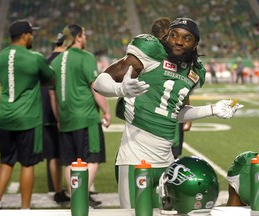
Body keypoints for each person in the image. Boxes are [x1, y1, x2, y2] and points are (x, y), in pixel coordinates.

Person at [94, 17, 243, 209]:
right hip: (136, 159)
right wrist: (120, 89)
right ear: (167, 36)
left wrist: (212, 109)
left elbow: (173, 112)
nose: (178, 41)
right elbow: (100, 82)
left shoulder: (195, 71)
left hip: (168, 163)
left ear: (195, 43)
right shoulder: (150, 52)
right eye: (174, 35)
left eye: (186, 38)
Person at [0, 19, 54, 209]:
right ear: (25, 36)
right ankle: (25, 208)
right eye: (31, 34)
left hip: (4, 117)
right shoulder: (34, 57)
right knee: (27, 164)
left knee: (6, 161)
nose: (32, 37)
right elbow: (51, 79)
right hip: (27, 119)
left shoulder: (0, 57)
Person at [49, 24, 111, 207]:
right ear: (77, 37)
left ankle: (74, 196)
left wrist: (59, 118)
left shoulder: (55, 61)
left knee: (70, 162)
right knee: (92, 159)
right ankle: (80, 198)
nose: (85, 38)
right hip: (86, 118)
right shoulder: (86, 57)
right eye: (83, 35)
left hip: (66, 119)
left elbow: (52, 95)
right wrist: (107, 111)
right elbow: (95, 86)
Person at [151, 17, 192, 159]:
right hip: (163, 120)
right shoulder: (169, 56)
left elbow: (184, 88)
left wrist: (188, 114)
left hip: (157, 120)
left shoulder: (148, 54)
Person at [42, 32, 69, 203]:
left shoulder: (45, 61)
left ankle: (57, 190)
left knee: (53, 155)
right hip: (64, 111)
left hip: (45, 111)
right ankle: (77, 189)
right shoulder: (66, 60)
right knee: (71, 154)